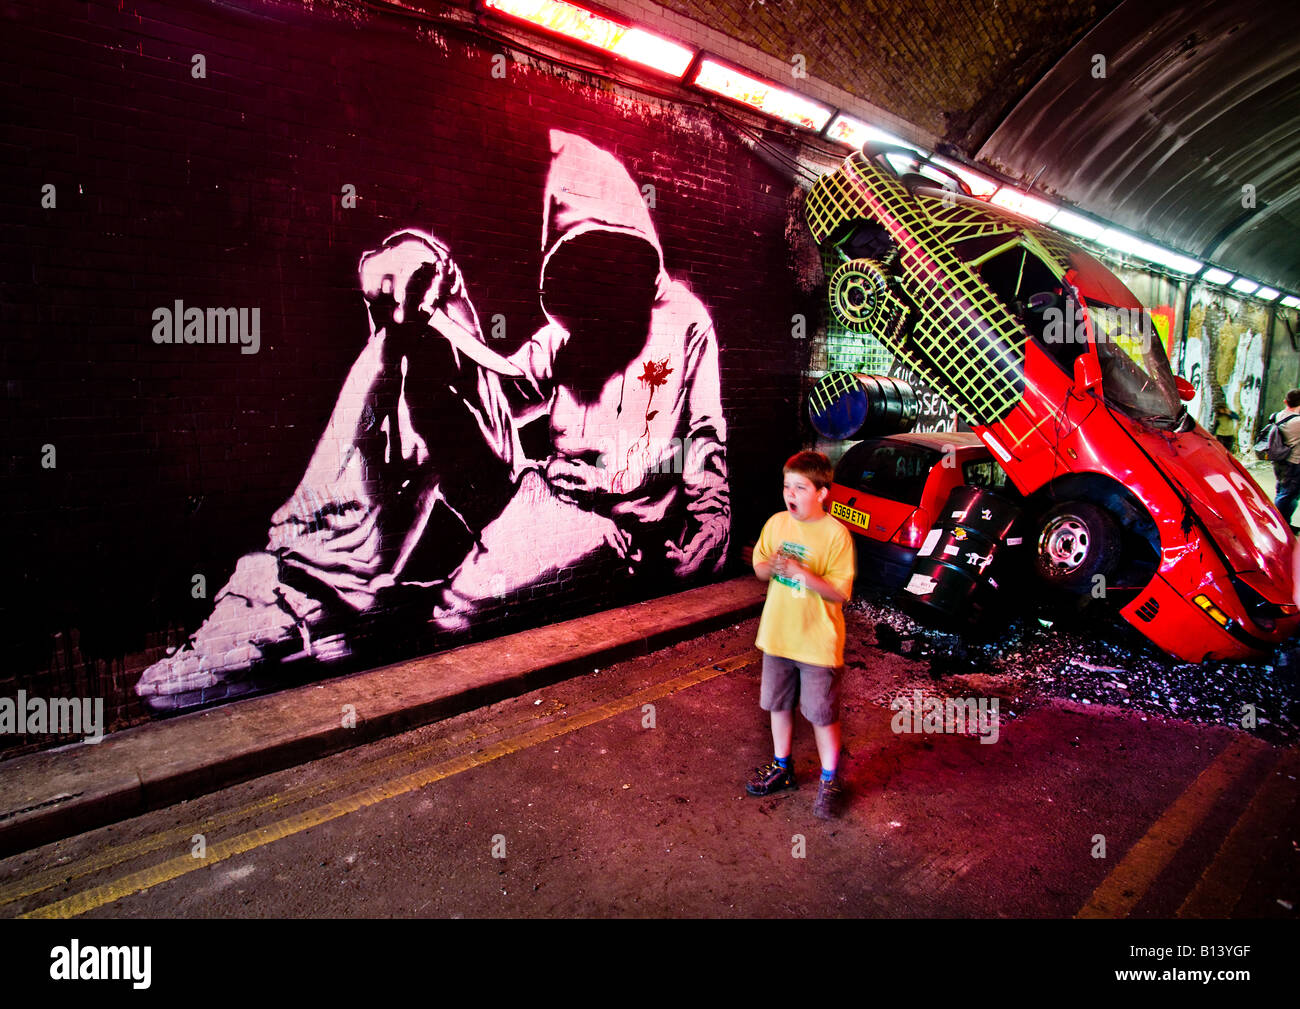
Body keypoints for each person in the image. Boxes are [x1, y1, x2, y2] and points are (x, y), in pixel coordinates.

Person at [135, 130, 728, 711]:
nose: (596, 278)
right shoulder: (565, 335)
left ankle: (362, 612)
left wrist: (711, 519)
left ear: (637, 245)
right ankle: (309, 585)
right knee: (407, 342)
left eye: (609, 256)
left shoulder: (685, 321)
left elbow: (701, 439)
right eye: (579, 259)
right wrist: (435, 296)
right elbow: (503, 385)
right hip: (537, 493)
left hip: (610, 528)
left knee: (460, 609)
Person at [745, 451, 855, 819]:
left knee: (821, 714)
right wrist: (771, 567)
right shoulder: (777, 523)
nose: (790, 494)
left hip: (817, 644)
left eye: (800, 487)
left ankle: (830, 778)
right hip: (777, 636)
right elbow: (760, 568)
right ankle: (782, 767)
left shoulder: (836, 535)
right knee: (778, 705)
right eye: (786, 486)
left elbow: (840, 592)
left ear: (822, 492)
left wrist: (802, 574)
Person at [1271, 388, 1300, 526]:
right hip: (1293, 463)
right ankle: (1278, 525)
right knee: (1287, 495)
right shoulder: (1297, 422)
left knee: (1283, 491)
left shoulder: (1279, 415)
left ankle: (1284, 524)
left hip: (1281, 461)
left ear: (1285, 401)